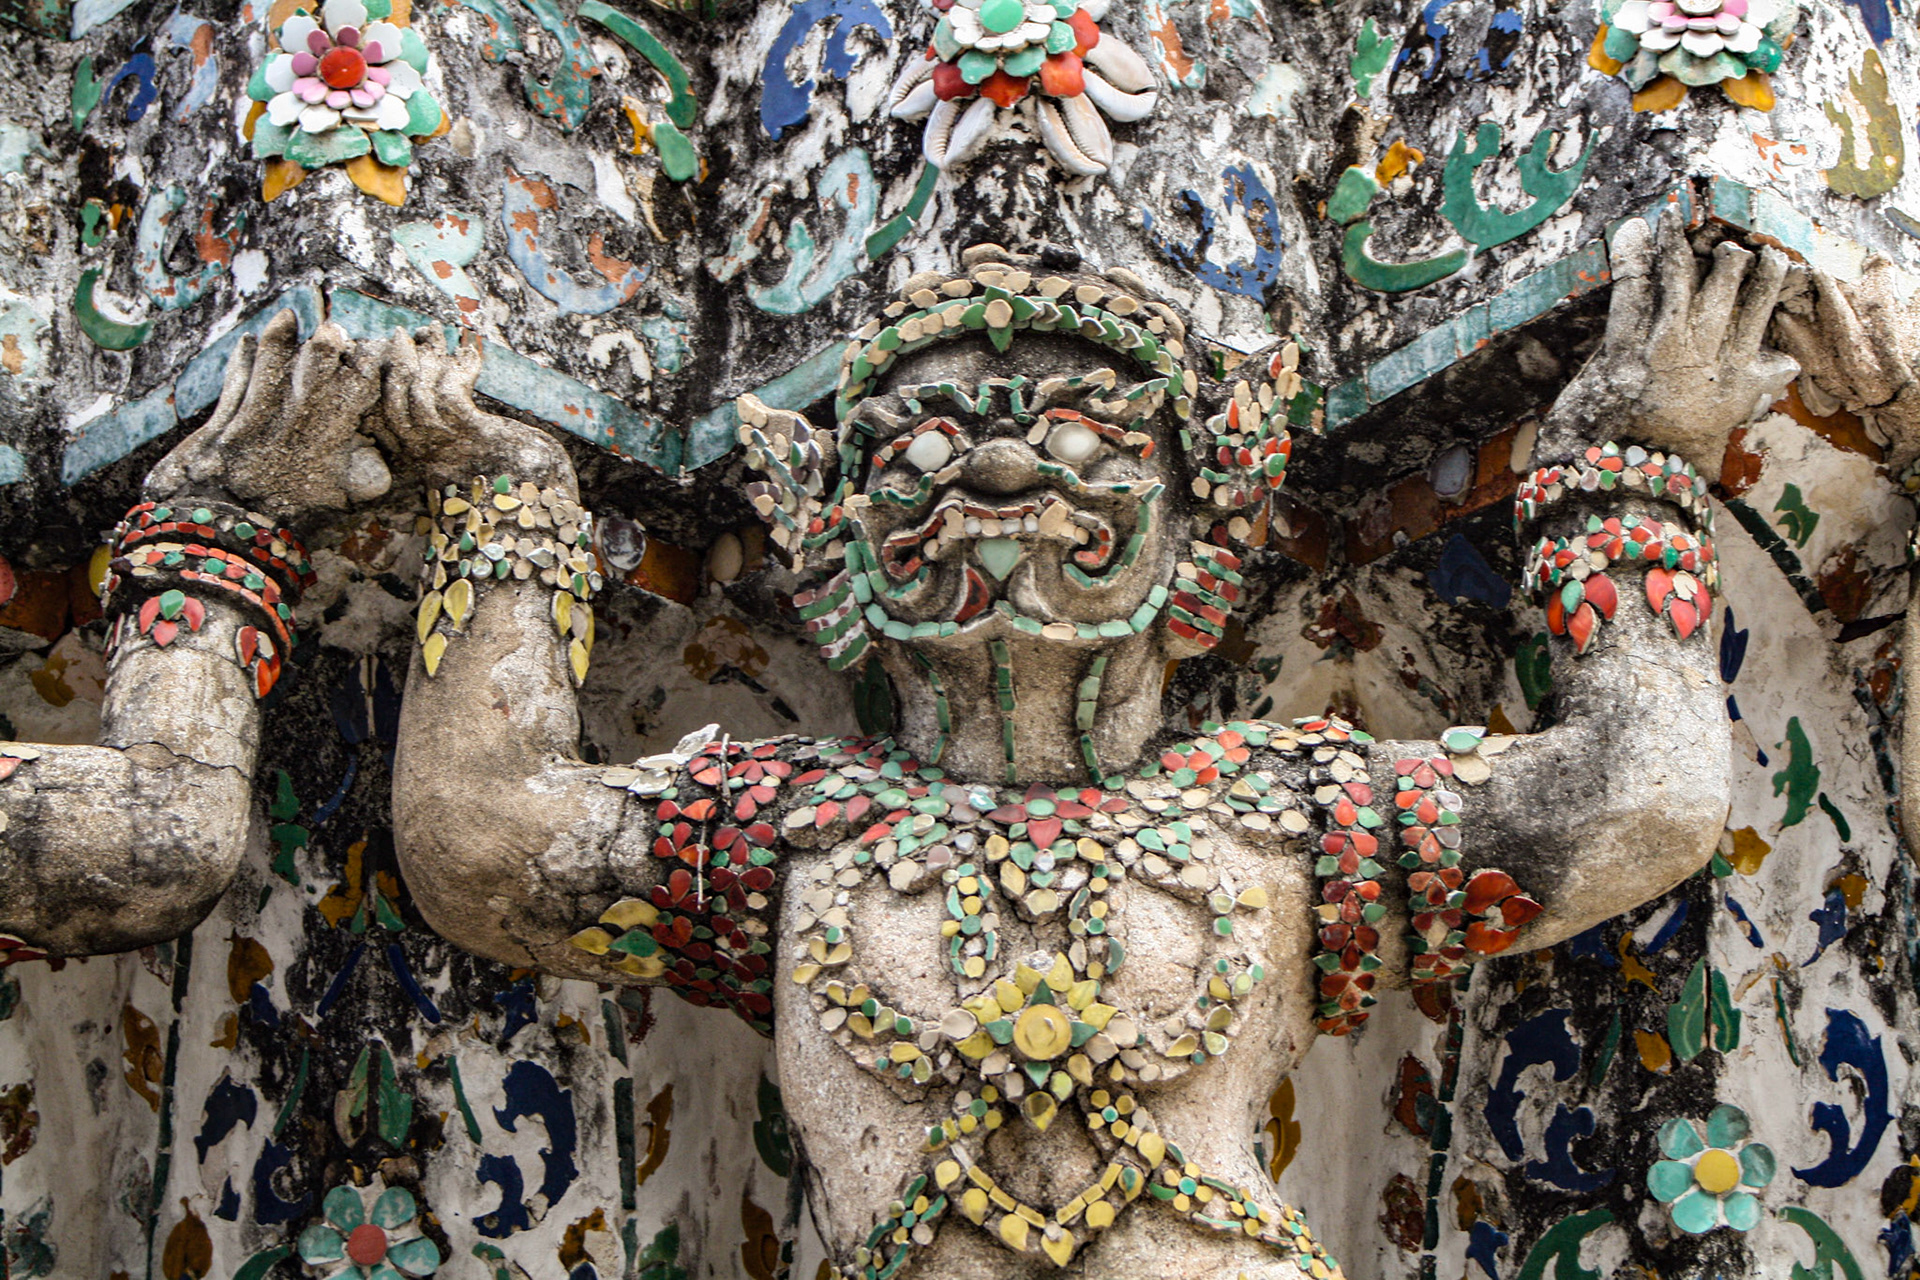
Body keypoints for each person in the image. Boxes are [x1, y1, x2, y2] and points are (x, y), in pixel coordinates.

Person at [0, 215, 1796, 1279]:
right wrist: (509, 499)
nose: (999, 464)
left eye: (1085, 435)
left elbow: (1639, 799)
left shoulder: (1281, 809)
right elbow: (477, 839)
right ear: (826, 551)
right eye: (922, 445)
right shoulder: (789, 827)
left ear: (1212, 535)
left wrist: (1625, 458)